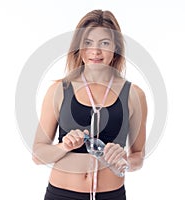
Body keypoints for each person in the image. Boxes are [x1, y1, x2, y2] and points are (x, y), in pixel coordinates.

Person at [32, 9, 147, 200]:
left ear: (116, 47)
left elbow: (138, 157)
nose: (95, 51)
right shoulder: (59, 90)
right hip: (62, 194)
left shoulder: (134, 95)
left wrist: (123, 159)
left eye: (104, 43)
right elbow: (38, 155)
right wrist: (64, 146)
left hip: (111, 195)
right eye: (87, 43)